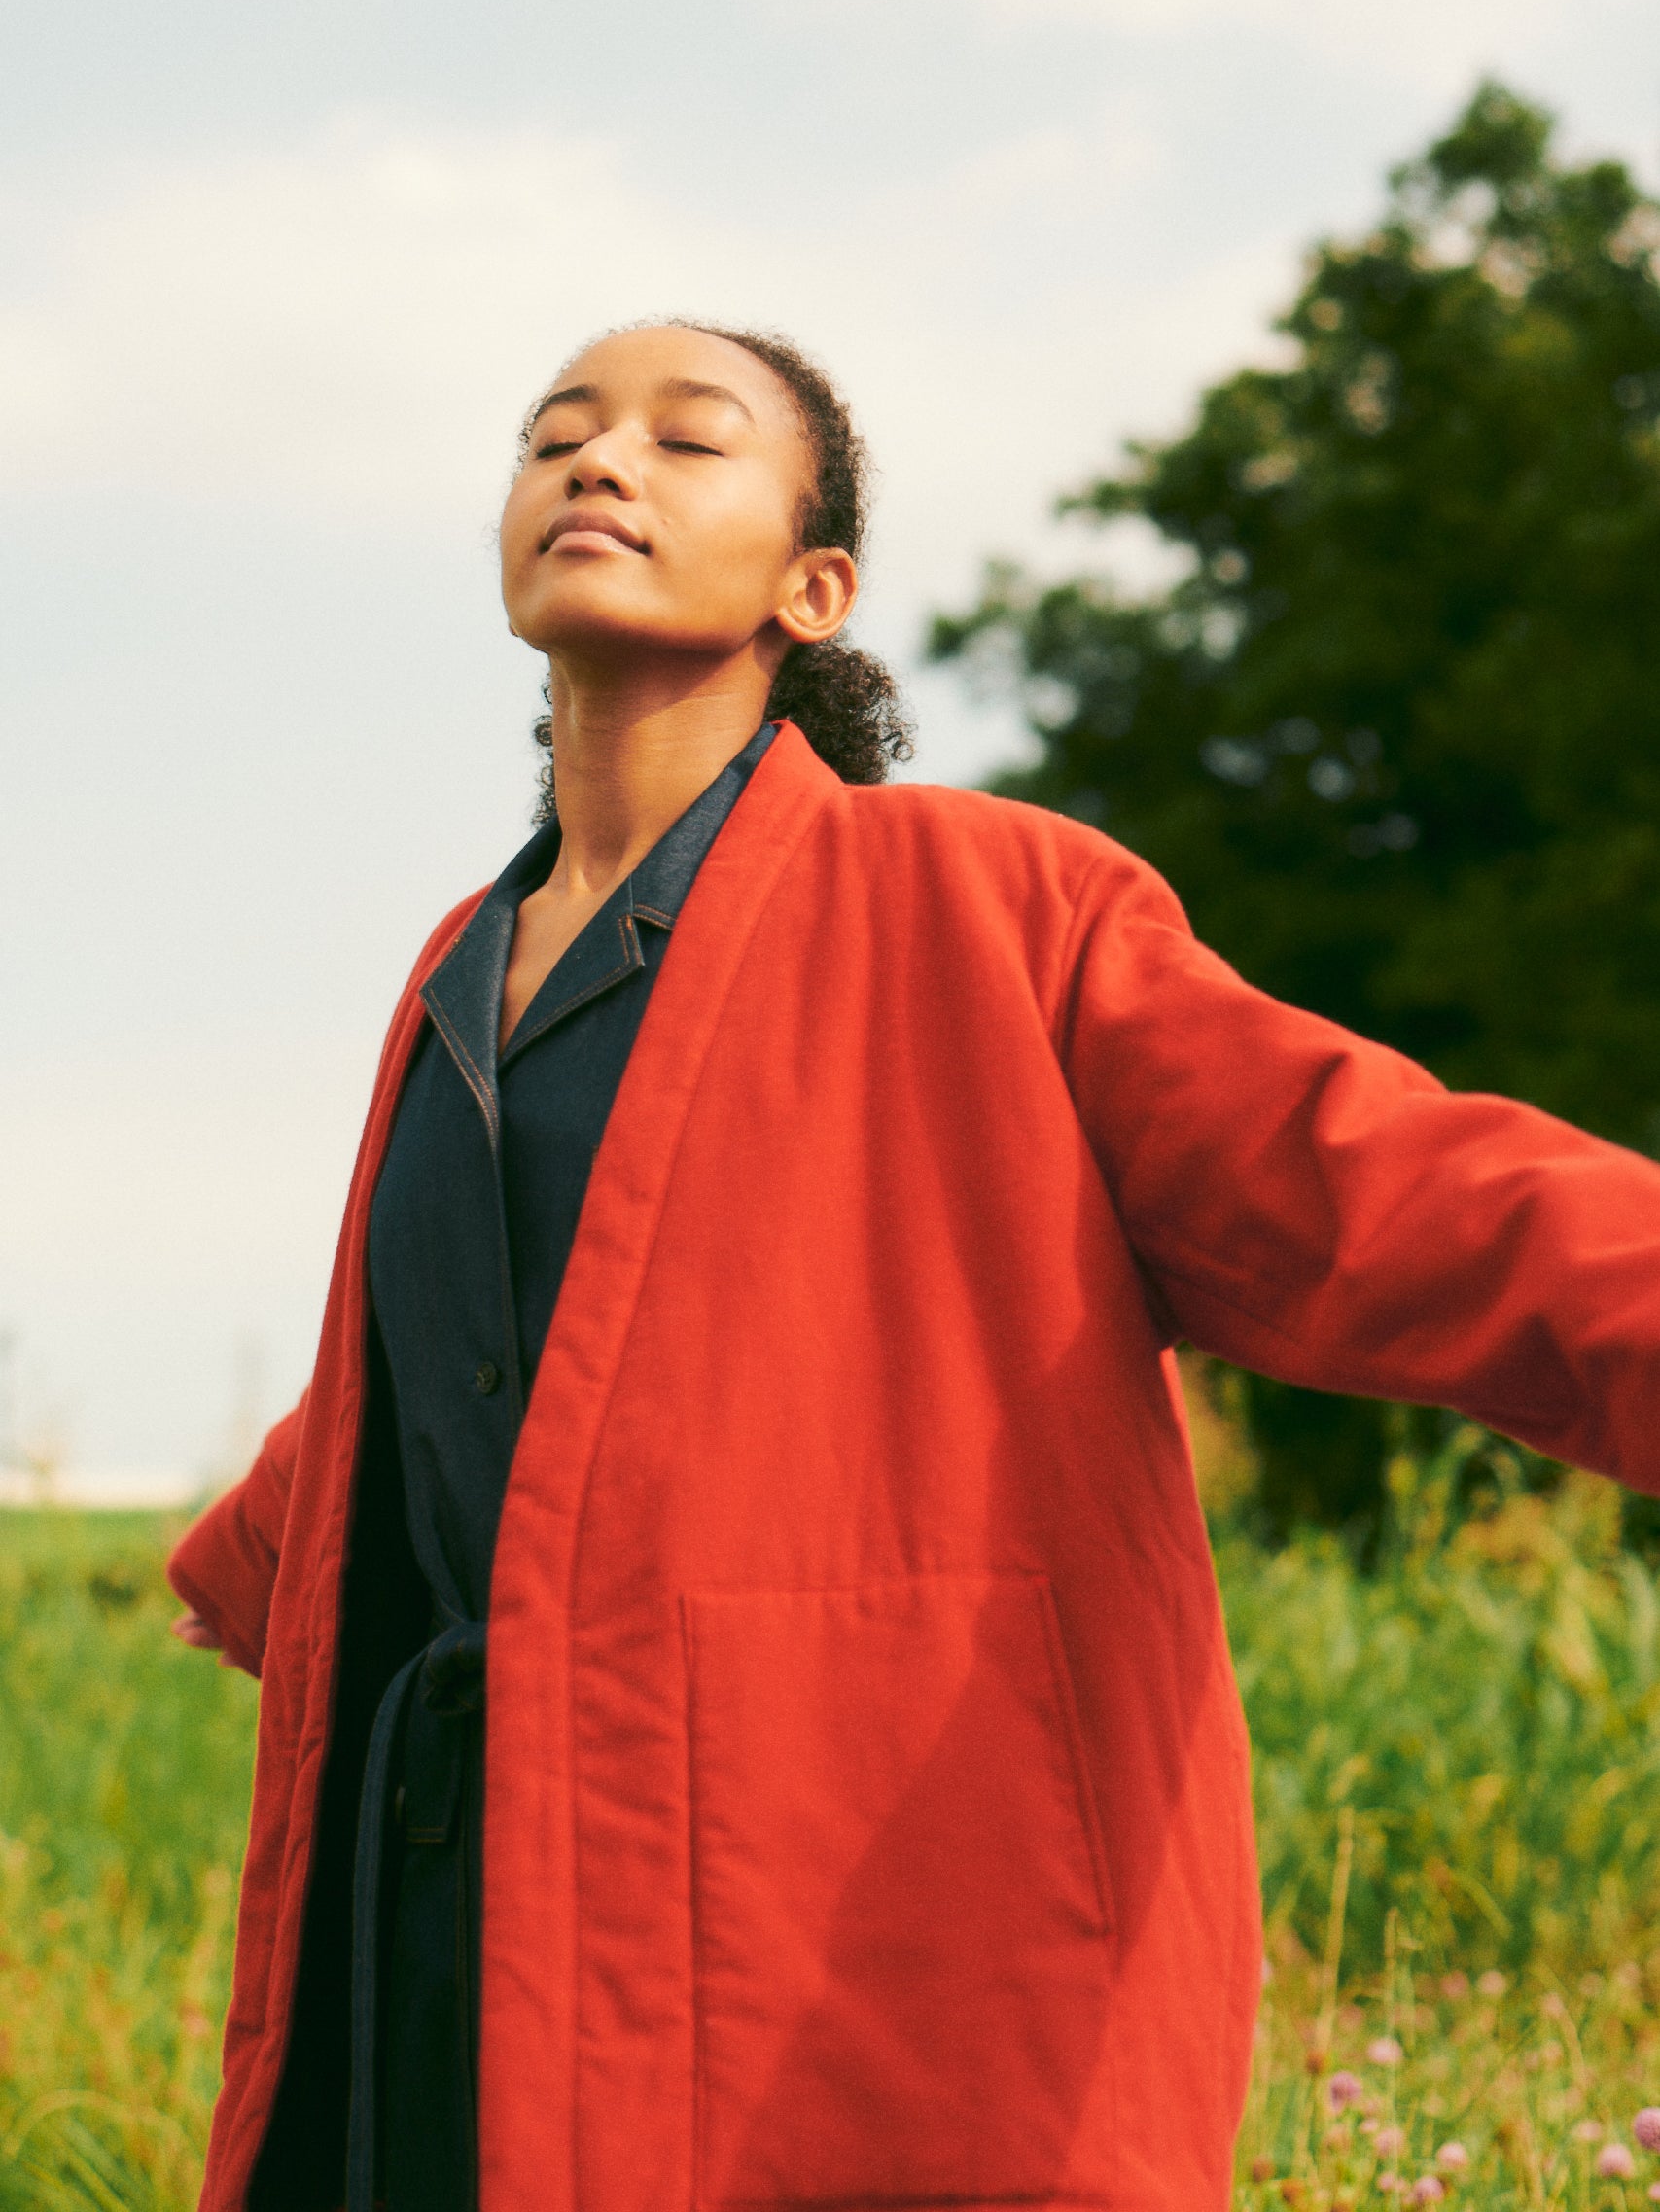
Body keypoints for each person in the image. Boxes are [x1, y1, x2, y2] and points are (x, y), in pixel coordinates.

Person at [168, 319, 1660, 2212]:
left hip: (849, 1896)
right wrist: (244, 1554)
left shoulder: (987, 902)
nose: (598, 461)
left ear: (815, 584)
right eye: (557, 433)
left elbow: (1364, 1181)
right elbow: (531, 1323)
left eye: (683, 437)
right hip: (444, 1898)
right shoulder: (454, 966)